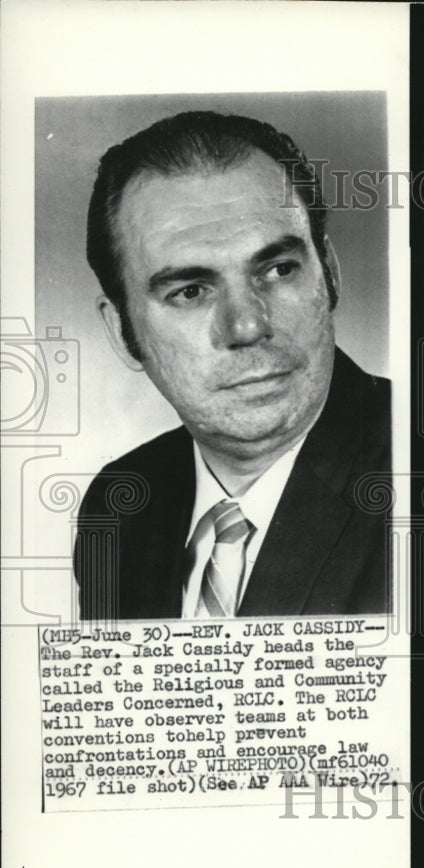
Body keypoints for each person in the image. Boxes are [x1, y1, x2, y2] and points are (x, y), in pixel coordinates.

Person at [74, 110, 391, 621]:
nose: (246, 326)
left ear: (329, 272)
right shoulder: (120, 503)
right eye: (190, 291)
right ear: (121, 330)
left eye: (279, 269)